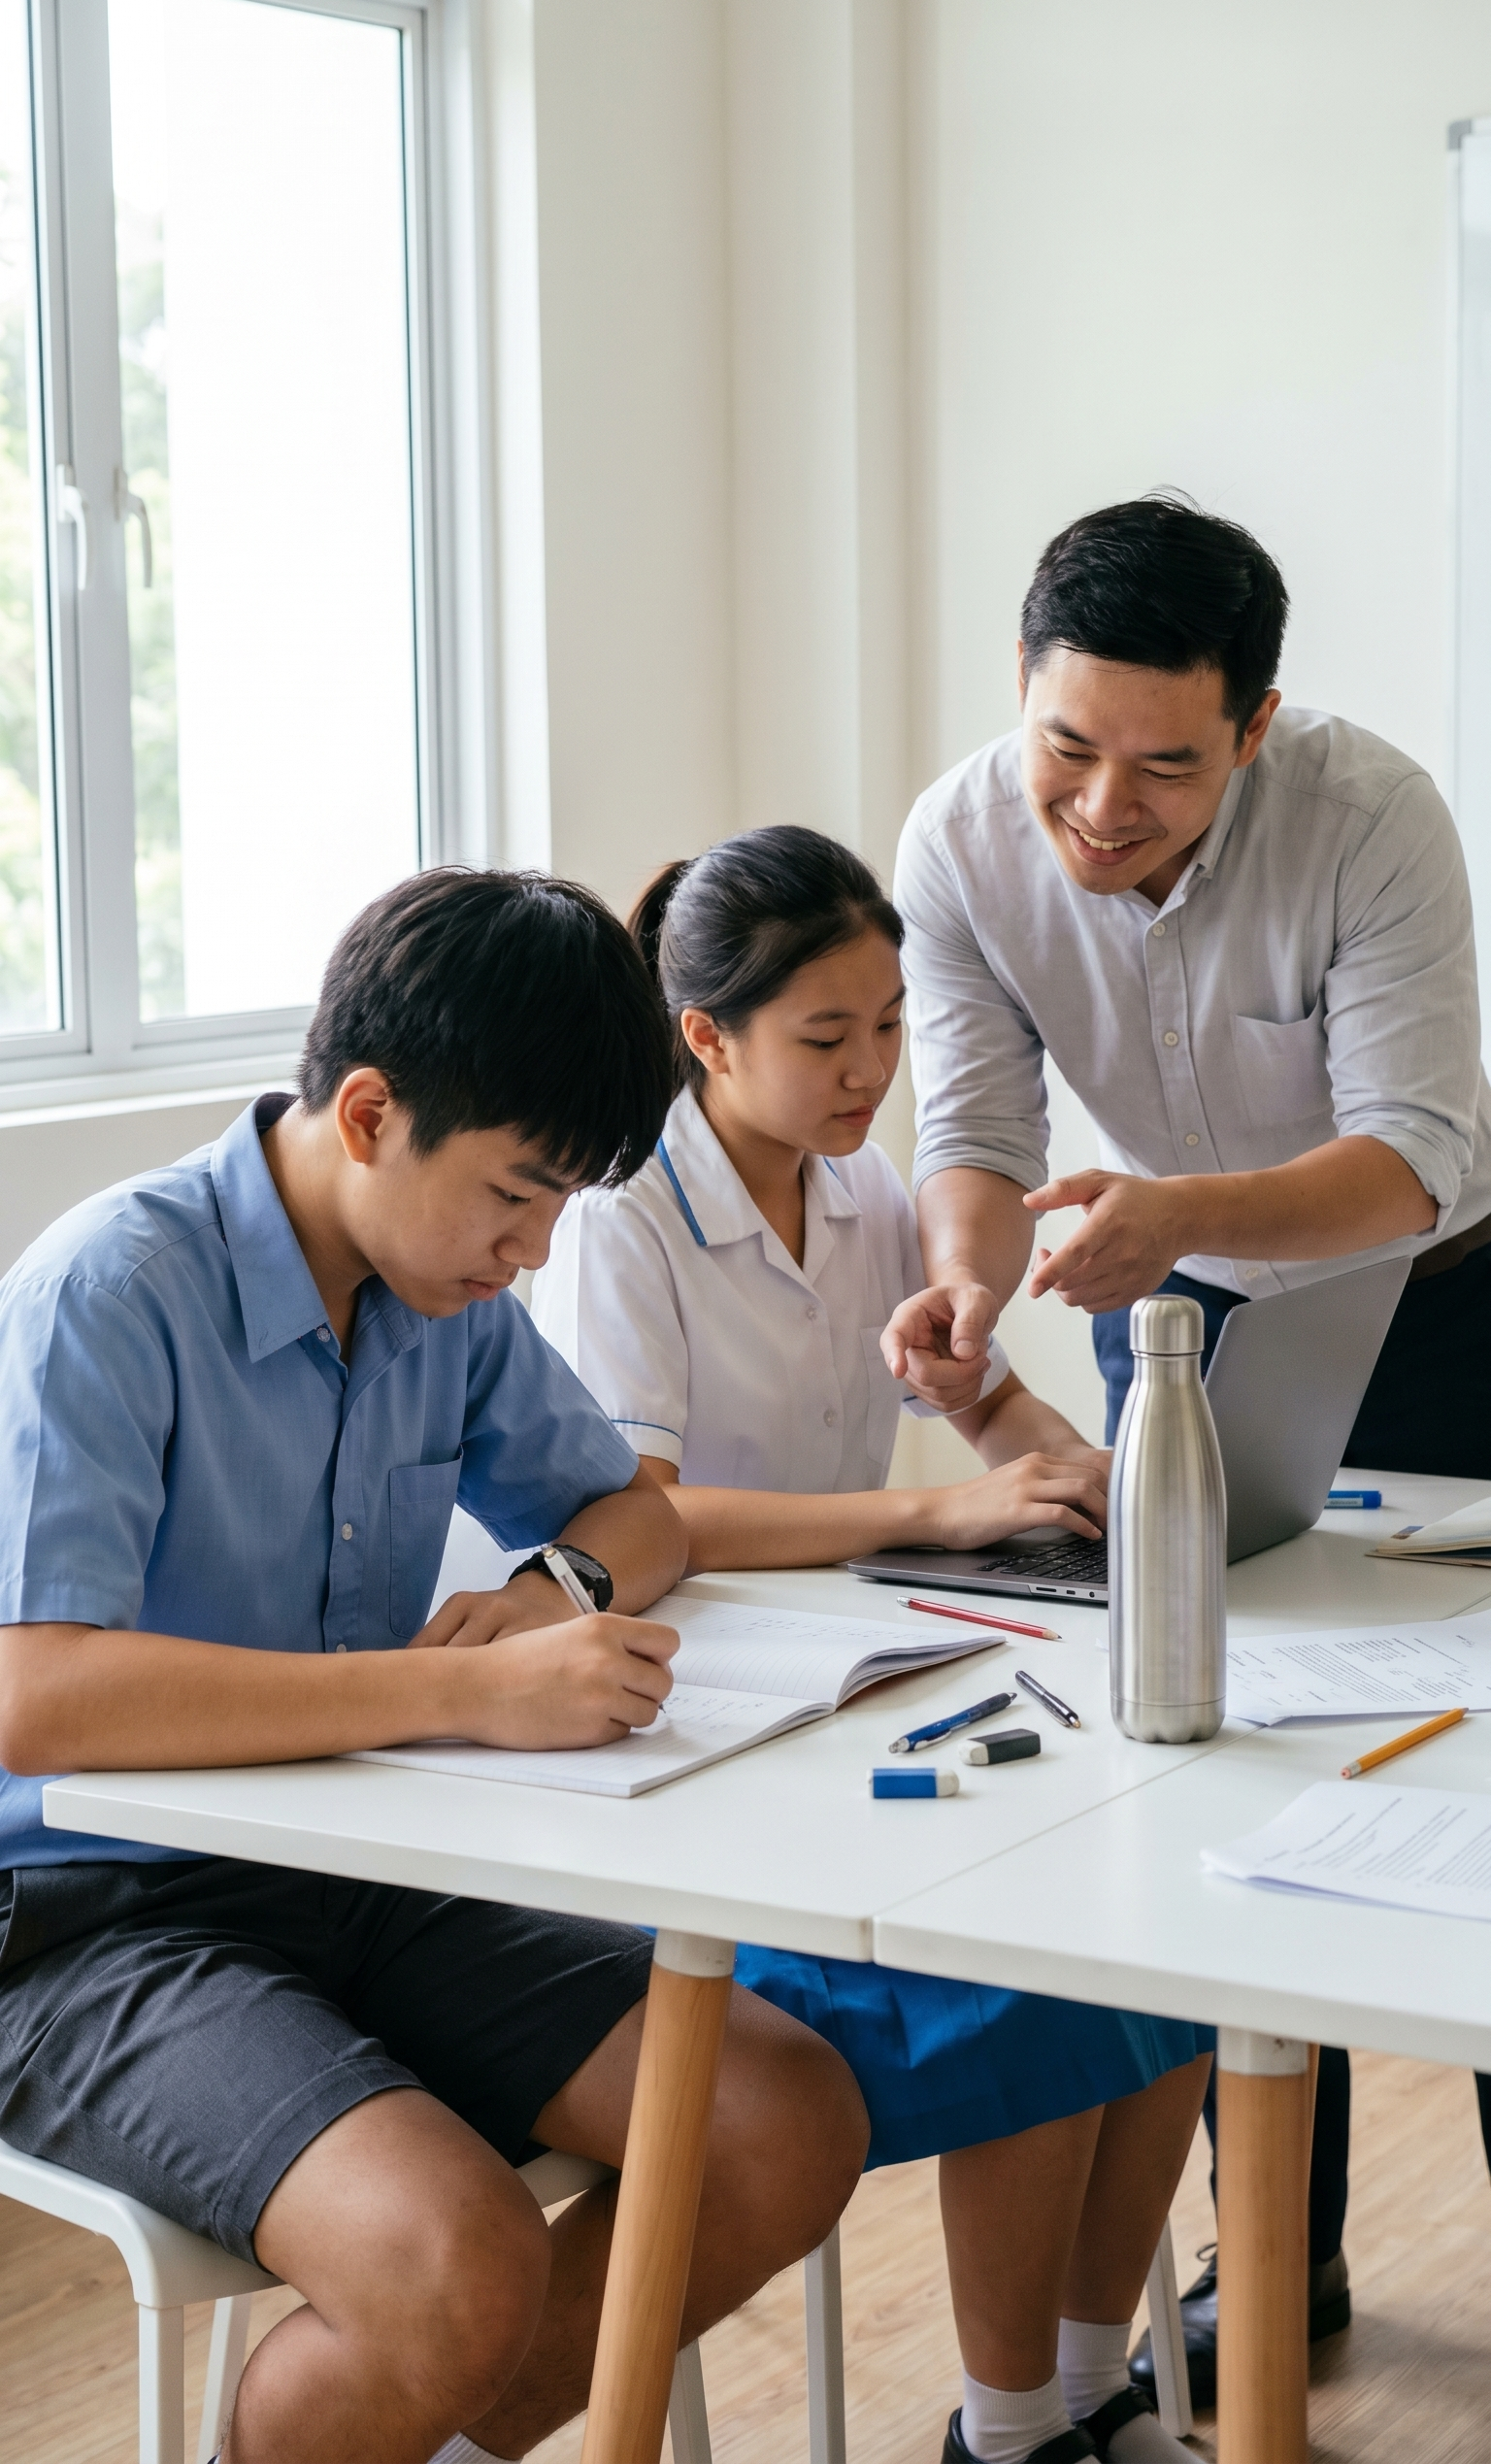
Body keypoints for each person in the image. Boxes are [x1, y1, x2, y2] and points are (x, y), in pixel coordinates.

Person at [0, 867, 870, 2464]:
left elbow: (634, 1512)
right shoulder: (110, 1295)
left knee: (777, 2125)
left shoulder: (439, 1292)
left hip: (366, 1860)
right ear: (369, 1111)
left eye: (559, 1211)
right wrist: (460, 1691)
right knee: (455, 2256)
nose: (531, 1256)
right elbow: (38, 1700)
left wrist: (561, 1591)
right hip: (94, 1919)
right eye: (515, 1197)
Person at [882, 491, 1491, 2404]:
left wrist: (1174, 1207)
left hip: (1439, 1284)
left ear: (1257, 722)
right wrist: (971, 1292)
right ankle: (1276, 2259)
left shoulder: (1371, 813)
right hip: (1174, 1298)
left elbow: (1422, 1148)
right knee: (1221, 1755)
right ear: (1019, 689)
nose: (1101, 806)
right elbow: (972, 1131)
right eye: (1069, 745)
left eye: (1164, 763)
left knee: (1468, 1783)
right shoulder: (960, 835)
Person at [532, 826, 1213, 2464]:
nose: (871, 1072)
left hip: (836, 1702)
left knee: (1173, 1968)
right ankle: (1008, 2430)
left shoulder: (872, 1195)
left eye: (891, 1027)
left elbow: (975, 1398)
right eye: (825, 1038)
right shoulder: (620, 1216)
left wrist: (1088, 1479)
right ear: (706, 1038)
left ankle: (1076, 2389)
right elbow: (653, 1523)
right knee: (1039, 1982)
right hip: (667, 1751)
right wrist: (938, 1521)